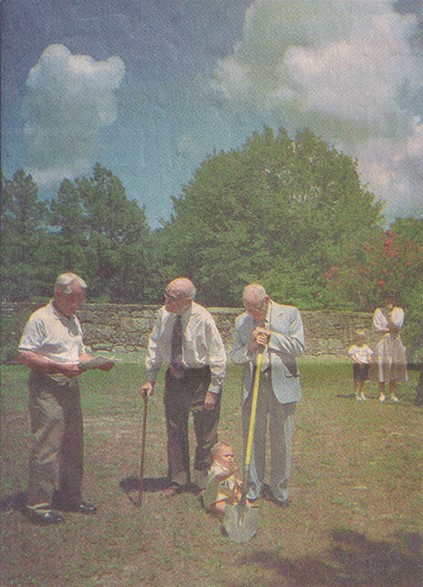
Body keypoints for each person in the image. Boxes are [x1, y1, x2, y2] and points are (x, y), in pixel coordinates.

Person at [18, 273, 114, 524]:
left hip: (71, 387)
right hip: (48, 386)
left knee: (74, 444)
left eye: (81, 299)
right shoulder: (40, 318)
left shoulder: (72, 319)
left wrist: (95, 363)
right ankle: (38, 505)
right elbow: (25, 355)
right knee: (48, 444)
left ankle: (71, 496)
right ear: (59, 294)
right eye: (75, 299)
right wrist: (58, 368)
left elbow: (78, 352)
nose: (79, 304)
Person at [141, 278, 227, 497]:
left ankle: (203, 481)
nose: (166, 300)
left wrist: (214, 390)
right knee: (175, 429)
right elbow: (156, 346)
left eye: (172, 297)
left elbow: (218, 356)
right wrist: (150, 378)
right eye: (166, 295)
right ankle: (178, 480)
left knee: (206, 433)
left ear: (188, 300)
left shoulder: (204, 318)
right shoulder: (164, 314)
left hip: (201, 377)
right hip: (175, 376)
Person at [231, 284, 305, 507]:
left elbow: (298, 347)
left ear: (267, 300)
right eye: (248, 309)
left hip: (282, 386)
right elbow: (235, 356)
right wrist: (252, 346)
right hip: (254, 386)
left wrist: (270, 337)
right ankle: (253, 486)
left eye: (256, 309)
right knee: (253, 437)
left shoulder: (290, 314)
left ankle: (279, 490)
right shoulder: (241, 322)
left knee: (281, 438)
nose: (253, 314)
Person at [372, 292, 407, 403]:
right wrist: (388, 329)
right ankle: (382, 393)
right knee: (382, 365)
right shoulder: (378, 311)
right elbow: (377, 328)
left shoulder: (399, 311)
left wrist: (390, 315)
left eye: (391, 299)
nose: (389, 301)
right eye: (387, 299)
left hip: (395, 341)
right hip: (382, 341)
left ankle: (392, 393)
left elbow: (397, 327)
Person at [202, 442, 242, 515]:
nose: (230, 458)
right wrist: (230, 472)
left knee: (239, 491)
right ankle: (235, 510)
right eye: (226, 456)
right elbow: (221, 477)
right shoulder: (215, 470)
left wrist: (237, 481)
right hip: (216, 501)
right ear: (216, 458)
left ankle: (244, 504)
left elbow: (230, 479)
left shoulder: (227, 469)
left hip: (229, 497)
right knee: (228, 510)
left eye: (232, 456)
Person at [348, 330, 373, 401]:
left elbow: (369, 354)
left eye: (363, 339)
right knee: (357, 380)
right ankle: (356, 393)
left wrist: (369, 358)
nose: (361, 341)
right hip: (357, 365)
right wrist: (357, 361)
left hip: (365, 365)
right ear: (356, 339)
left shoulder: (366, 347)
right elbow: (352, 355)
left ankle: (362, 392)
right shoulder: (353, 347)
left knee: (363, 380)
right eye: (359, 339)